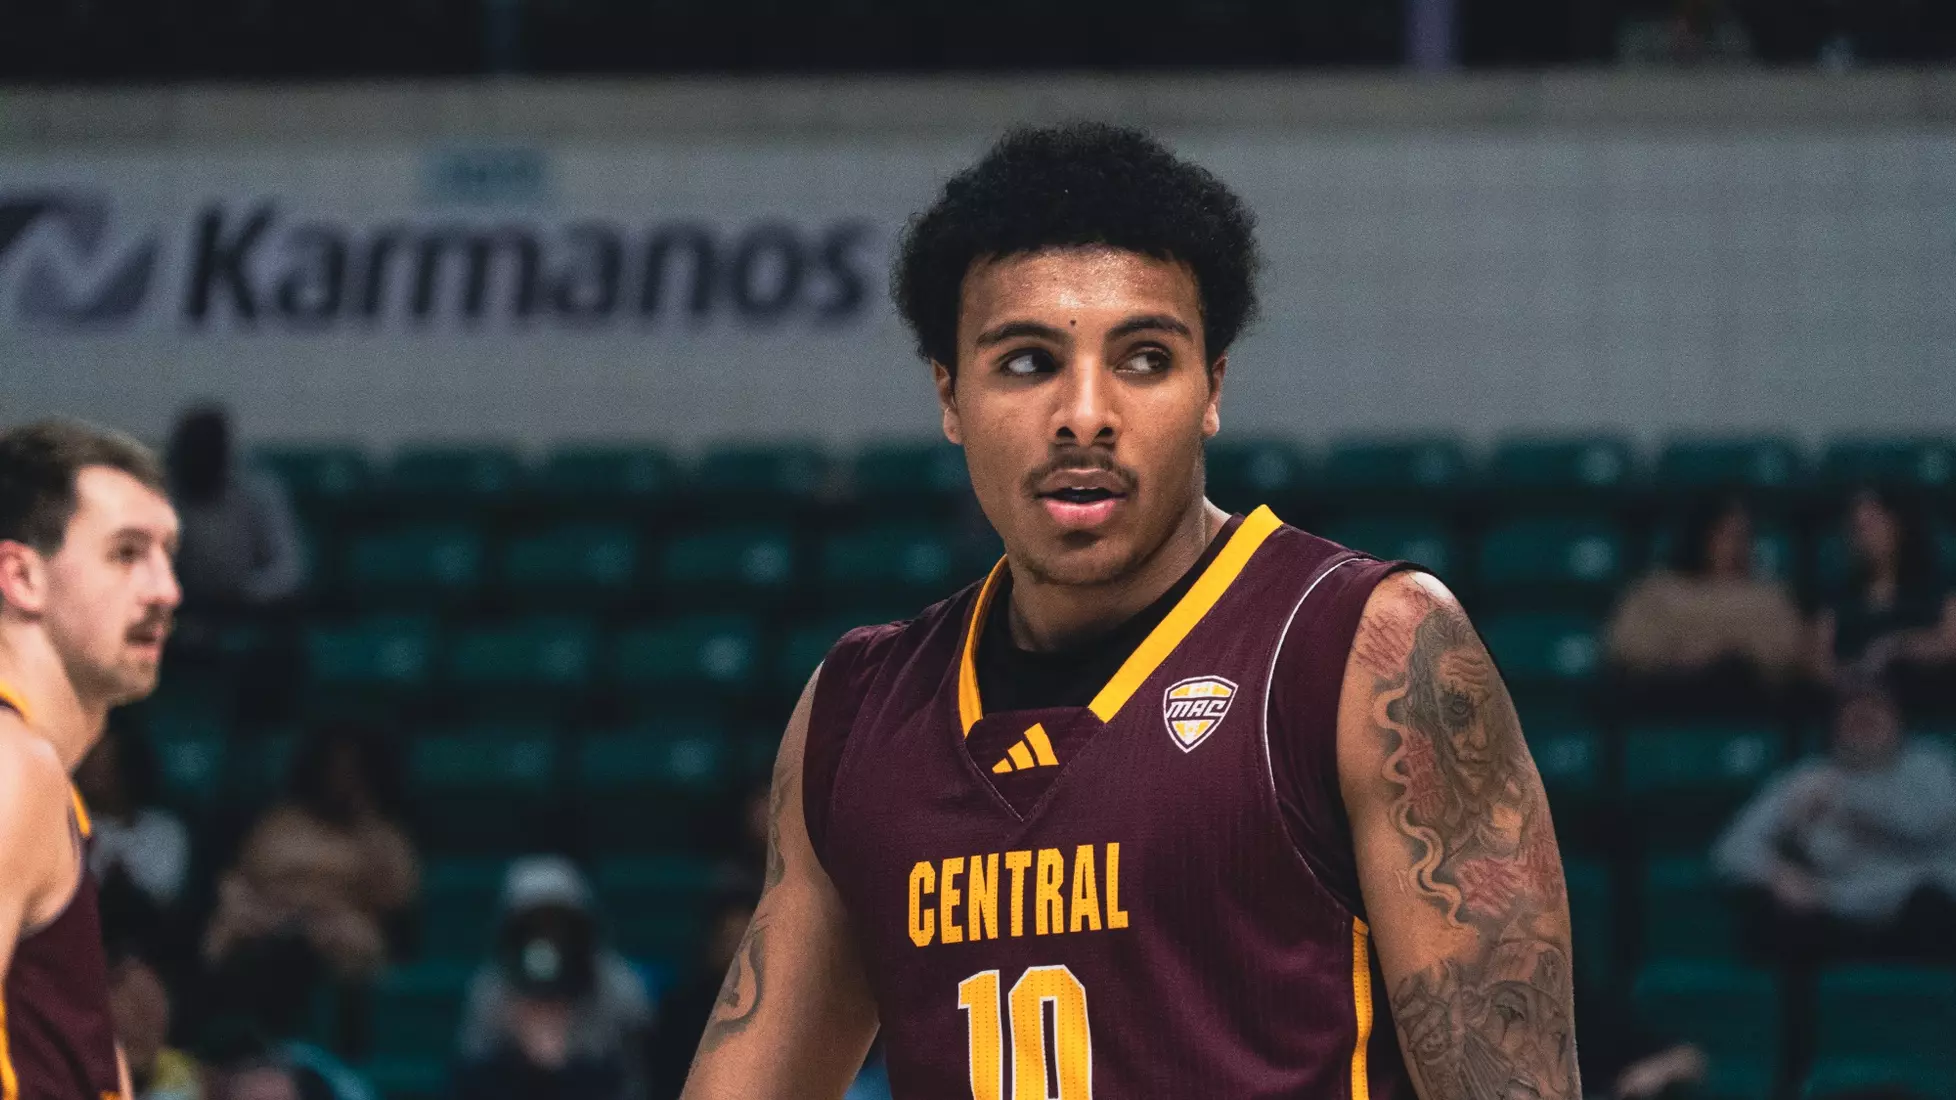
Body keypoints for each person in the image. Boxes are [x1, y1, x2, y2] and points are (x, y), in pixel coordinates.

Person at [680, 124, 1579, 1100]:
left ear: (1212, 388)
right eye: (1027, 362)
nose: (1085, 414)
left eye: (1145, 358)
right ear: (950, 395)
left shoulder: (1371, 650)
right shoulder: (857, 712)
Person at [1, 417, 182, 1100]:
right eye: (126, 553)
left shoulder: (38, 774)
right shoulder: (11, 765)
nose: (166, 589)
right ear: (22, 577)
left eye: (168, 555)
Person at [1713, 677, 1956, 965]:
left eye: (1876, 709)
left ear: (1898, 719)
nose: (1864, 718)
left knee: (1932, 908)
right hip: (1837, 913)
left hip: (1916, 913)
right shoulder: (1806, 778)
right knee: (1773, 919)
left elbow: (1924, 822)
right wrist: (1777, 874)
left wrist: (1847, 798)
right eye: (1853, 711)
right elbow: (1731, 850)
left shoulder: (1930, 765)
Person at [198, 723, 419, 1034]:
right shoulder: (279, 823)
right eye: (334, 767)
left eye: (350, 769)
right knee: (226, 931)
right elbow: (241, 879)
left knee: (352, 940)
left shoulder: (381, 834)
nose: (341, 778)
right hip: (271, 917)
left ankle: (337, 1037)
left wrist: (366, 822)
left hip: (338, 923)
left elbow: (396, 899)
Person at [455, 857, 653, 1100]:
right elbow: (469, 1078)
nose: (547, 936)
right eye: (534, 924)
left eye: (557, 923)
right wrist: (519, 1059)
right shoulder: (492, 990)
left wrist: (568, 1066)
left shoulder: (617, 985)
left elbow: (638, 1076)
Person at [1605, 497, 1804, 710]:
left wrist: (1729, 651)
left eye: (1743, 537)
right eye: (1725, 535)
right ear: (1700, 535)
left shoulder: (1769, 597)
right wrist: (1683, 656)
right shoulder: (1656, 591)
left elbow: (1788, 654)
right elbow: (1624, 648)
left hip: (1747, 706)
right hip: (1664, 702)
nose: (1736, 546)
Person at [165, 405, 305, 612]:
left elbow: (289, 569)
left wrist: (246, 593)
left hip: (250, 611)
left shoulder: (257, 492)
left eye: (207, 453)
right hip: (179, 610)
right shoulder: (161, 494)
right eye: (194, 453)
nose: (200, 461)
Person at [1812, 487, 1956, 684]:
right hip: (1857, 694)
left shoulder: (1937, 585)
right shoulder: (1838, 595)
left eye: (1871, 525)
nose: (1864, 537)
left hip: (1925, 693)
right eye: (1856, 529)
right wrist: (1850, 676)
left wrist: (1895, 647)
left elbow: (1949, 642)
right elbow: (1820, 660)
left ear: (1896, 524)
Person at [75, 722, 194, 955]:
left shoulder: (165, 832)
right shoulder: (67, 823)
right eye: (90, 757)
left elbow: (165, 907)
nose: (92, 769)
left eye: (104, 761)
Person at [106, 945, 204, 1100]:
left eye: (148, 1011)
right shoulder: (85, 1081)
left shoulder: (183, 1075)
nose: (140, 1028)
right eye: (135, 1007)